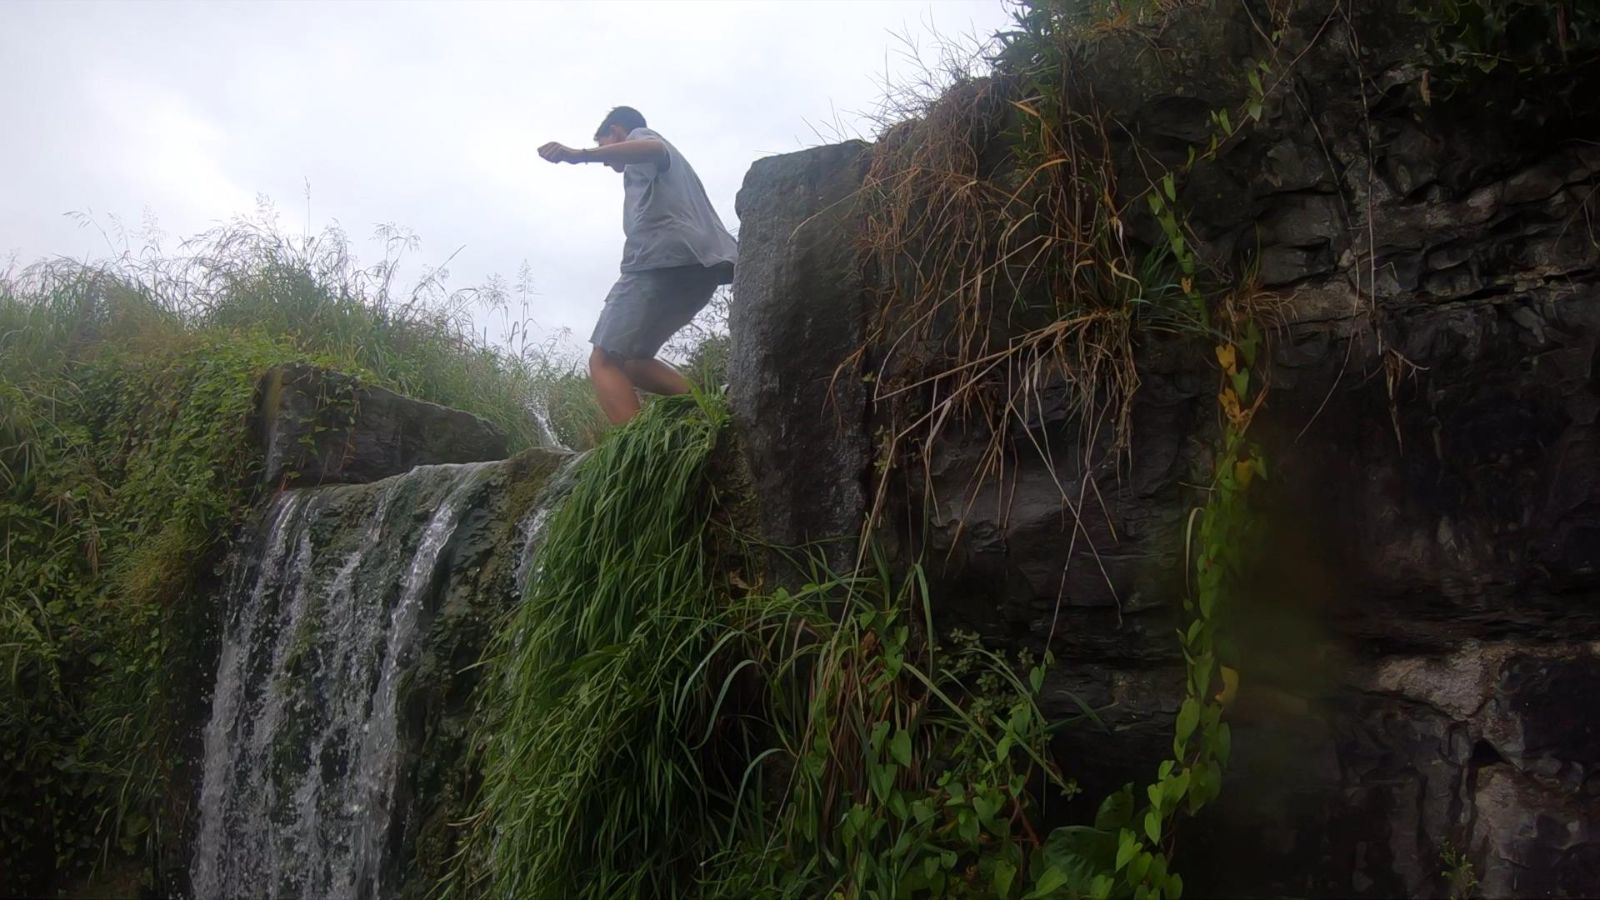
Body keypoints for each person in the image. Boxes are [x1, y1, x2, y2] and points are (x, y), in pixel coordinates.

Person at [538, 106, 738, 424]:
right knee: (632, 361)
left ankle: (638, 457)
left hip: (659, 261)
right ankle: (715, 412)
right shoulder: (673, 174)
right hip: (703, 270)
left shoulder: (641, 139)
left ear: (616, 132)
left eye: (605, 147)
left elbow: (653, 148)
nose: (605, 159)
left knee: (603, 359)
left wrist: (579, 155)